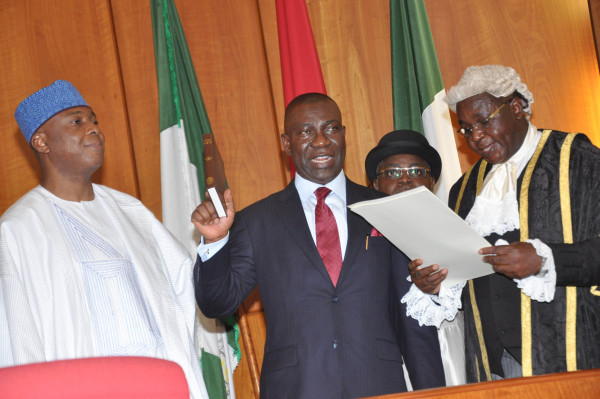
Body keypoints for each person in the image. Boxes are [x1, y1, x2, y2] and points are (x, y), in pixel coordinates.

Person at [192, 93, 445, 398]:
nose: (321, 141)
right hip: (296, 389)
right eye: (306, 132)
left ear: (344, 135)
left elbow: (413, 320)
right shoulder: (257, 221)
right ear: (287, 143)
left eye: (331, 128)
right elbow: (218, 304)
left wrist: (435, 394)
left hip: (378, 386)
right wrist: (216, 241)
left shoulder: (387, 210)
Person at [0, 80, 209, 399]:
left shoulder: (131, 212)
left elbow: (182, 285)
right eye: (77, 121)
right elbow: (16, 339)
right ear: (41, 141)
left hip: (158, 384)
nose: (94, 129)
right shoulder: (18, 230)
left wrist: (214, 244)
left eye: (94, 120)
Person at [402, 65, 600, 382]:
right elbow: (465, 274)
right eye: (466, 129)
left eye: (483, 121)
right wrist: (436, 285)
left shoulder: (576, 159)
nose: (476, 138)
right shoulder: (464, 190)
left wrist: (546, 260)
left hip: (568, 357)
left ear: (517, 108)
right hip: (492, 365)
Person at [365, 129, 466, 386]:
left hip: (448, 350)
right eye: (393, 173)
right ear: (375, 184)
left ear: (432, 182)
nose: (406, 180)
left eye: (417, 171)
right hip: (386, 358)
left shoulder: (458, 229)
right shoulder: (361, 238)